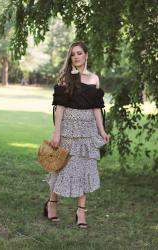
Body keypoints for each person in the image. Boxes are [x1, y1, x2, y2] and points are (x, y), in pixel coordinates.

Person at [44, 41, 110, 229]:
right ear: (70, 57)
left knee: (85, 169)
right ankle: (52, 205)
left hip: (87, 131)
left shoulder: (94, 79)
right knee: (60, 167)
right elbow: (60, 107)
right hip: (68, 130)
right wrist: (56, 133)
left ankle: (81, 213)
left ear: (86, 55)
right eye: (73, 54)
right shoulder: (66, 78)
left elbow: (97, 108)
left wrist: (102, 130)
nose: (76, 57)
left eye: (79, 53)